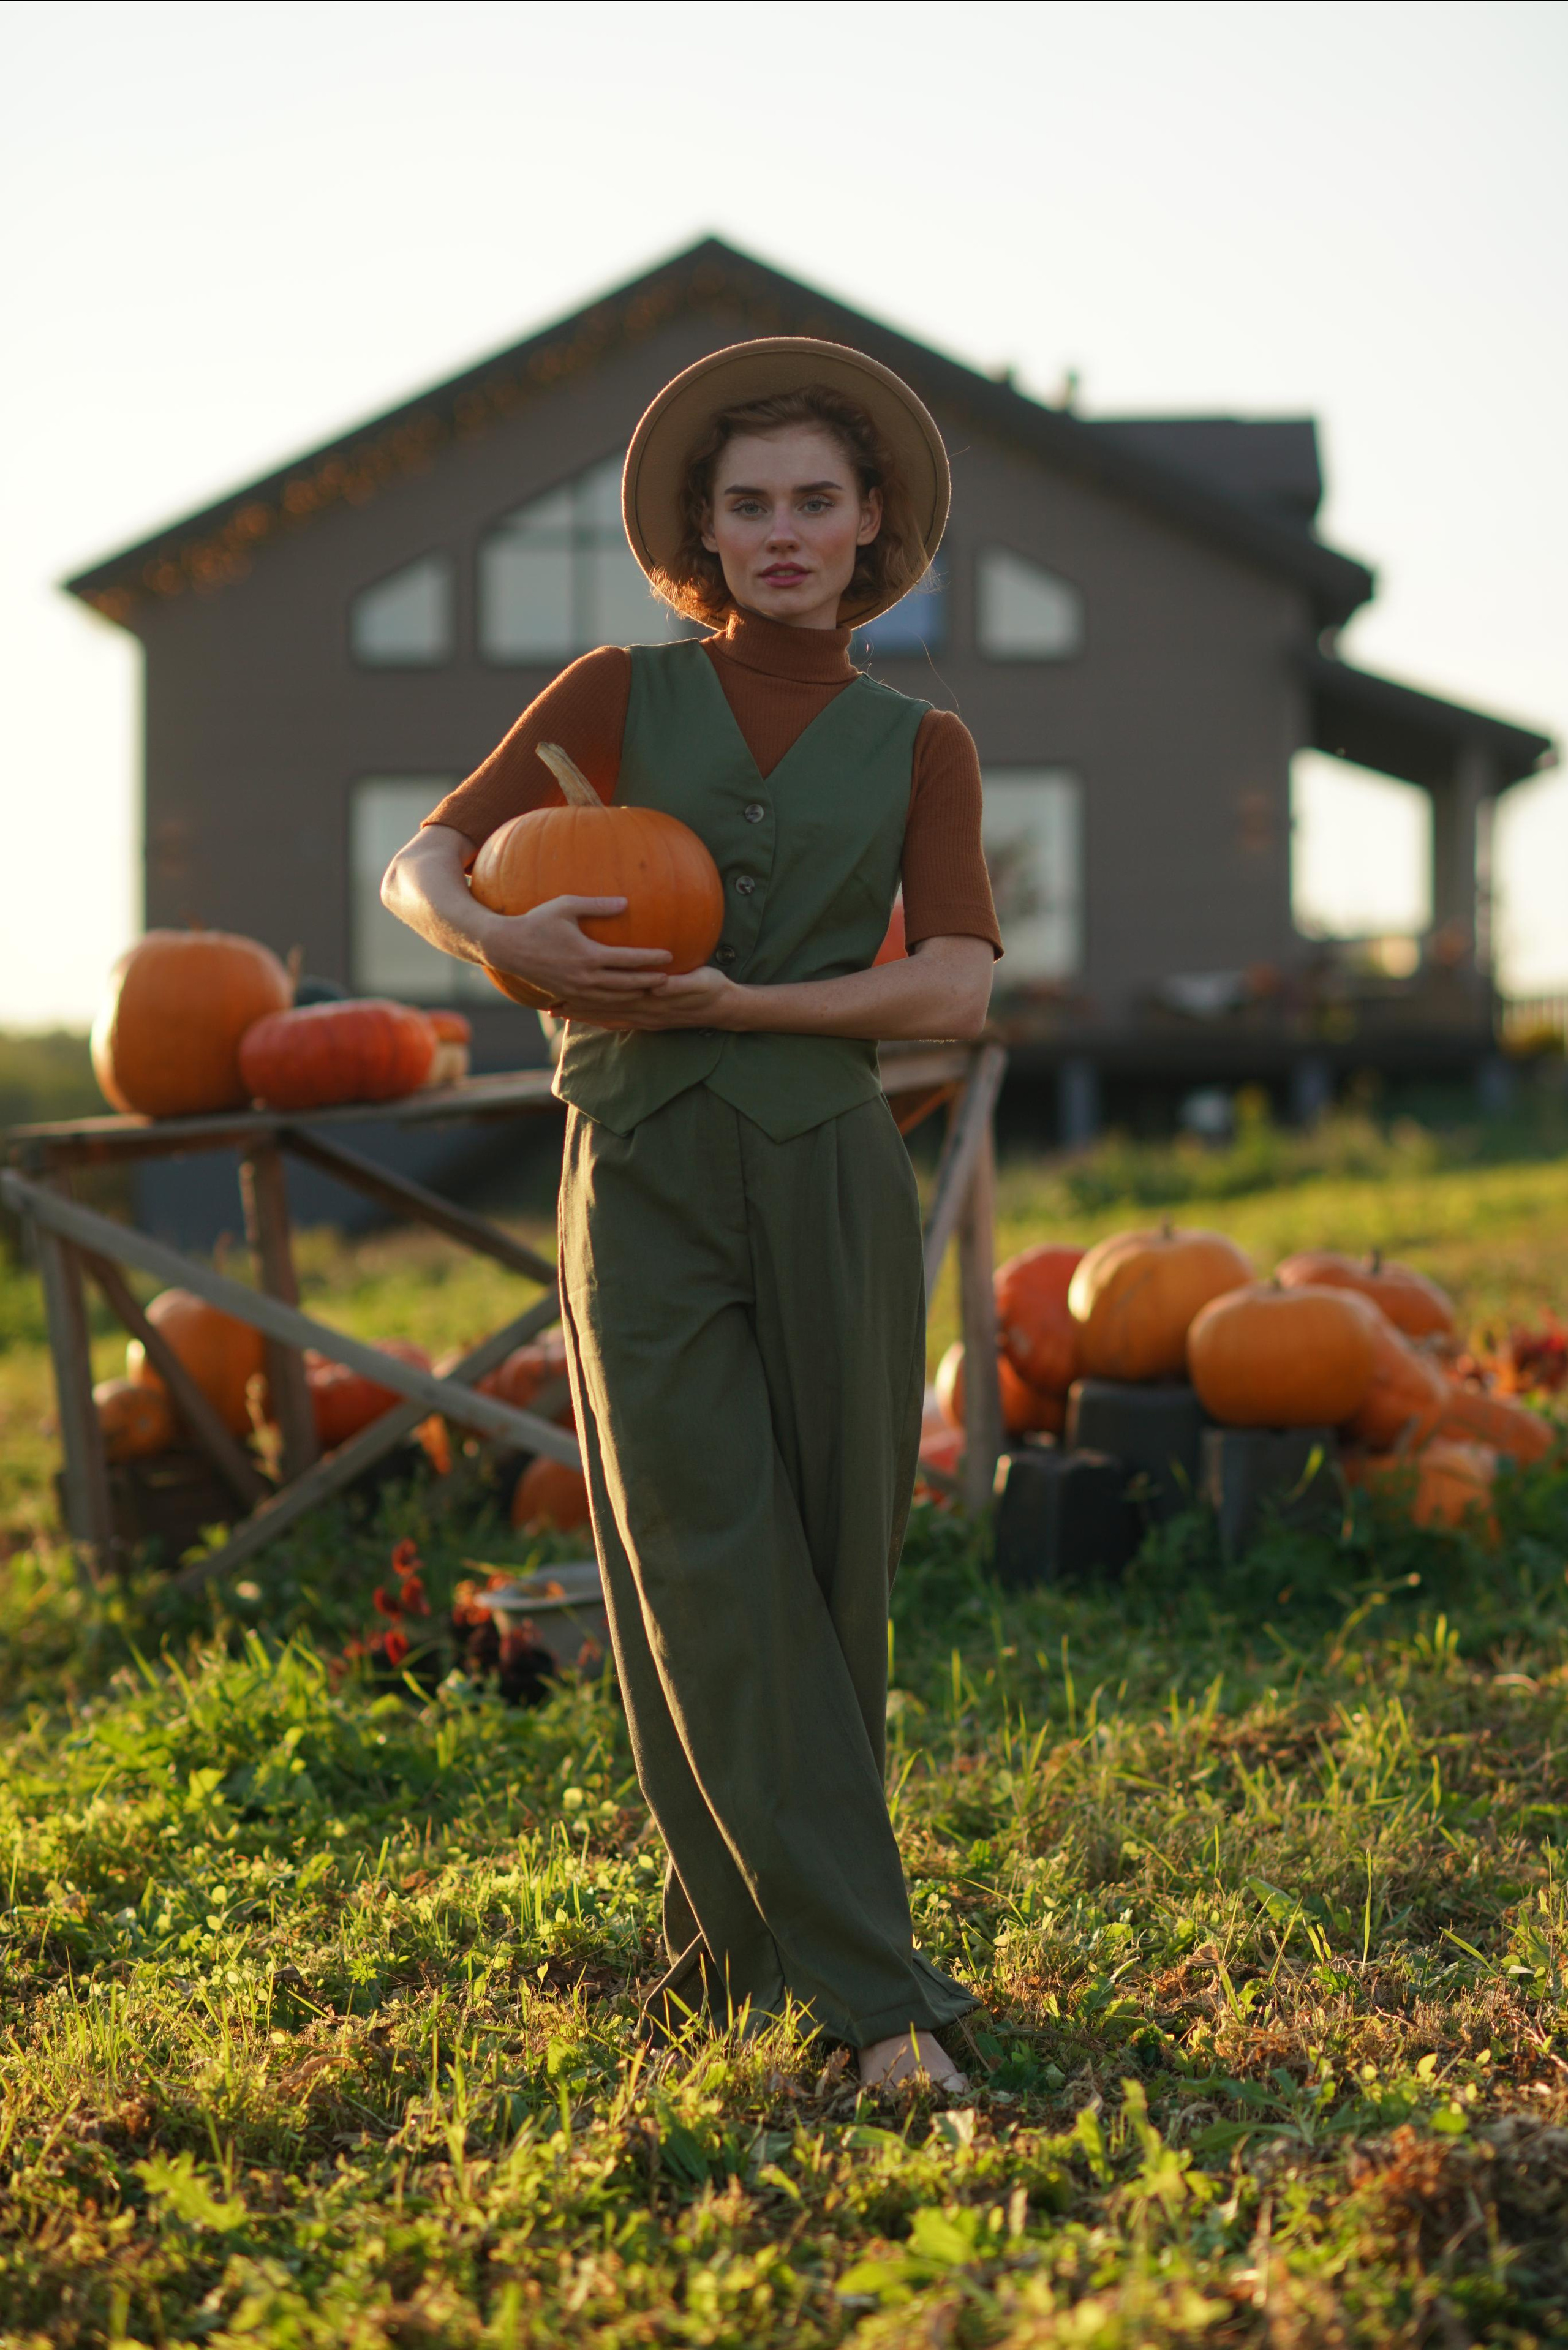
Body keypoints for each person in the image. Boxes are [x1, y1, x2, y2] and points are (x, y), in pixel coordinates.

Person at [383, 337, 1001, 2092]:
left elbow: (951, 985)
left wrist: (753, 1005)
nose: (784, 532)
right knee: (703, 1561)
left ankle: (728, 1953)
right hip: (641, 1164)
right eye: (751, 506)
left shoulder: (920, 744)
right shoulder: (608, 695)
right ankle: (880, 2013)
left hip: (827, 1173)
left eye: (818, 500)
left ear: (873, 522)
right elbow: (419, 858)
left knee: (828, 1578)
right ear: (704, 532)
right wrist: (493, 939)